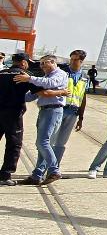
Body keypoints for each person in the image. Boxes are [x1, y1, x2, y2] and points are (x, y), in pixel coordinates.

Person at [15, 55, 70, 185]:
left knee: (43, 142)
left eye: (44, 63)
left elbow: (51, 84)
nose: (42, 66)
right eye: (40, 64)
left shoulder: (60, 74)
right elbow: (31, 96)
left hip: (53, 110)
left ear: (53, 62)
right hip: (44, 110)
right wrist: (14, 95)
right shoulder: (44, 78)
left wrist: (29, 78)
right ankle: (37, 175)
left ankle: (54, 170)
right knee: (43, 145)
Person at [51, 50, 89, 167]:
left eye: (75, 59)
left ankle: (54, 168)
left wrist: (81, 118)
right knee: (50, 141)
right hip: (59, 109)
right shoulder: (62, 73)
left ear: (81, 61)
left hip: (73, 112)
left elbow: (83, 98)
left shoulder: (85, 77)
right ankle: (43, 167)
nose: (72, 62)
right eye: (71, 59)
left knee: (61, 143)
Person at [0, 54, 33, 186]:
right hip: (13, 114)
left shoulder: (1, 73)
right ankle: (5, 175)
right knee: (14, 144)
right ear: (23, 63)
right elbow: (39, 91)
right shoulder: (23, 75)